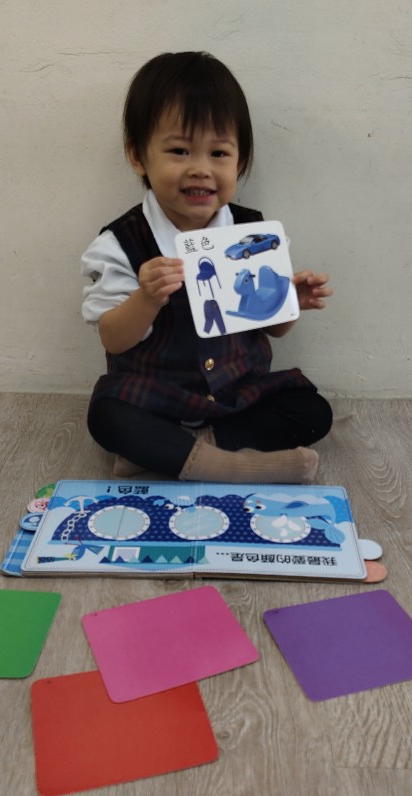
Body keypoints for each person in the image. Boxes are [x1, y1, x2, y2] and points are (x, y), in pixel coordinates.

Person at [81, 51, 333, 484]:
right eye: (179, 151)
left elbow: (275, 329)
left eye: (218, 152)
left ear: (240, 161)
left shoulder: (254, 235)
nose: (200, 169)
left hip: (238, 396)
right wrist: (146, 299)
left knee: (312, 410)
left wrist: (289, 300)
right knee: (106, 416)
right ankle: (231, 465)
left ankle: (180, 454)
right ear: (138, 156)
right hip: (155, 398)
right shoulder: (120, 244)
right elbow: (113, 338)